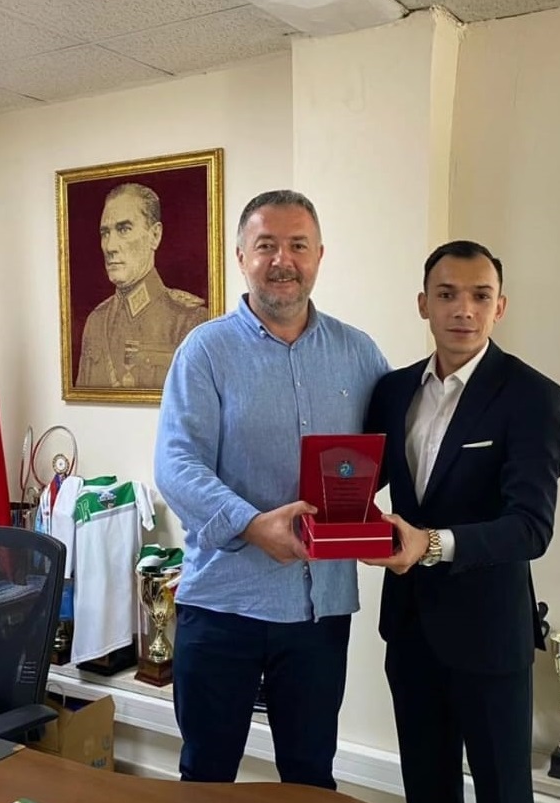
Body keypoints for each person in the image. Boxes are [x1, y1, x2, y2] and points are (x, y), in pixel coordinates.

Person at [154, 190, 390, 788]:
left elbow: (387, 456)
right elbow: (177, 463)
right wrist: (252, 524)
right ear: (241, 257)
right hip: (223, 604)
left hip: (318, 610)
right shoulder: (205, 351)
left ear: (319, 256)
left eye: (298, 246)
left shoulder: (360, 354)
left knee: (310, 777)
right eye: (266, 246)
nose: (283, 260)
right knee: (207, 775)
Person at [363, 240, 560, 803]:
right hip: (409, 629)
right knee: (426, 789)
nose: (463, 310)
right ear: (423, 304)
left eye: (480, 296)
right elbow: (360, 478)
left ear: (499, 307)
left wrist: (431, 544)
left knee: (504, 792)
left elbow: (531, 527)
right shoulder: (393, 391)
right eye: (447, 295)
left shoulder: (533, 397)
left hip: (490, 635)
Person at [76, 182, 208, 389]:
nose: (110, 246)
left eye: (124, 229)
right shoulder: (96, 321)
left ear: (155, 236)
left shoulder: (188, 320)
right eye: (105, 233)